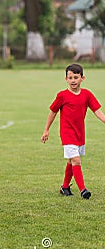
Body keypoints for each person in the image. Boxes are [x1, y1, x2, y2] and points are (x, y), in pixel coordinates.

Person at [41, 63, 105, 199]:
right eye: (70, 78)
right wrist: (46, 130)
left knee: (71, 161)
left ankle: (64, 187)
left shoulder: (87, 95)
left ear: (82, 78)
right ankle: (83, 190)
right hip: (67, 133)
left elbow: (98, 112)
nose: (73, 80)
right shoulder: (62, 96)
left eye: (76, 77)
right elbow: (52, 112)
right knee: (76, 160)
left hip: (80, 134)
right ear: (66, 79)